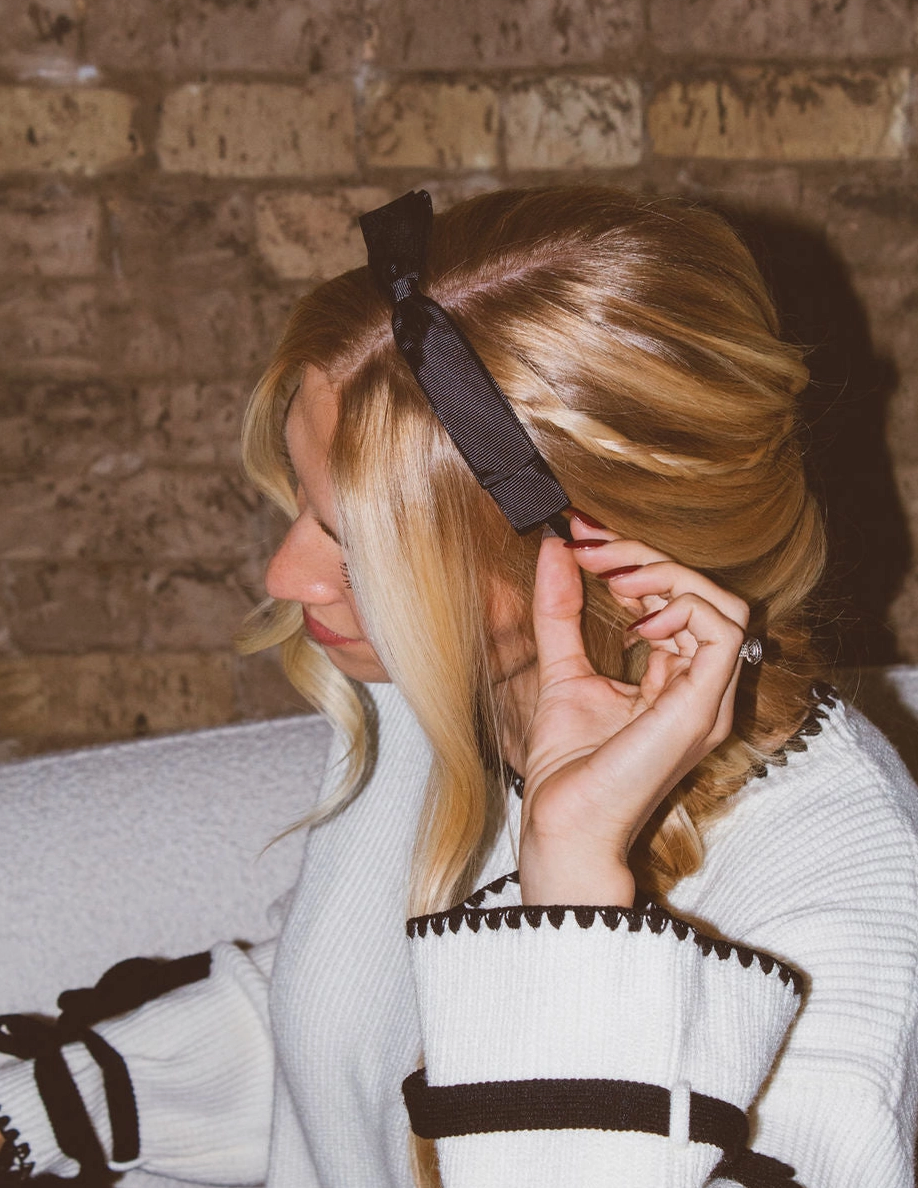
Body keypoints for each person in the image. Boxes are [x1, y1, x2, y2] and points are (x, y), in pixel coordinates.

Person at [1, 185, 917, 1188]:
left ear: (589, 570)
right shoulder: (446, 691)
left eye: (360, 550)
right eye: (305, 506)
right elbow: (346, 1024)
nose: (285, 576)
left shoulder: (843, 905)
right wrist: (36, 1113)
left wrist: (572, 885)